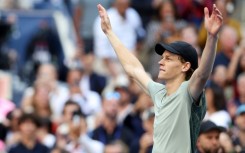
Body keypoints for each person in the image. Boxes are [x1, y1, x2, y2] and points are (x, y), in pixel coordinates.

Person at [97, 2, 223, 153]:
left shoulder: (187, 92)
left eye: (168, 59)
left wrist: (212, 37)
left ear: (185, 66)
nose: (160, 62)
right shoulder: (158, 92)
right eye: (162, 57)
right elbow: (133, 69)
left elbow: (202, 74)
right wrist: (109, 32)